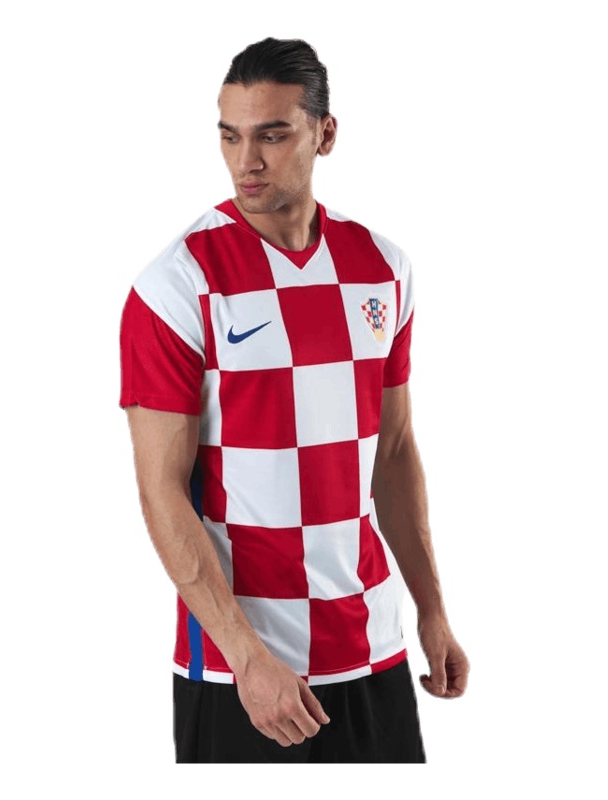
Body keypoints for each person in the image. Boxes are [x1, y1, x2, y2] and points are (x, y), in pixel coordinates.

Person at [118, 37, 469, 763]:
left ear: (324, 133)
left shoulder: (383, 268)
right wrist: (247, 657)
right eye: (230, 135)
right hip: (242, 668)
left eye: (272, 135)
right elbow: (160, 492)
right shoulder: (177, 285)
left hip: (372, 644)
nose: (246, 159)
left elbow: (392, 452)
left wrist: (431, 608)